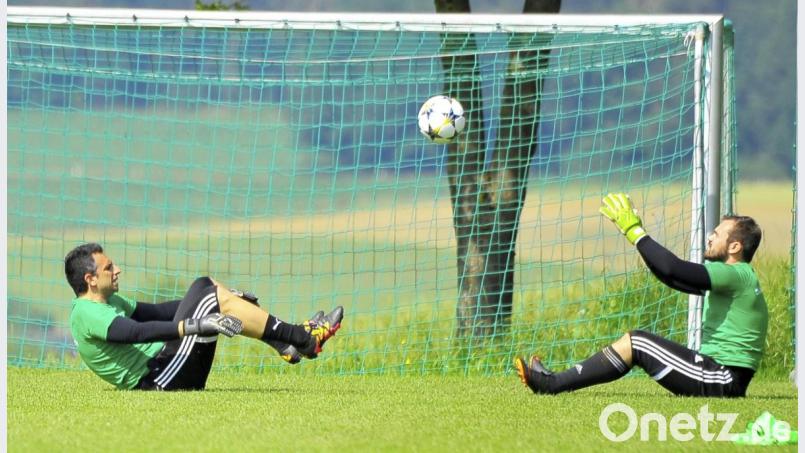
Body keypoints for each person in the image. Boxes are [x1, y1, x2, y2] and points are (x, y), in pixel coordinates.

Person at [515, 193, 767, 398]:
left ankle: (552, 384)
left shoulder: (735, 274)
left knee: (638, 342)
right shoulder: (735, 278)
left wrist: (635, 231)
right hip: (718, 374)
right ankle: (553, 382)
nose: (710, 236)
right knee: (637, 342)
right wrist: (635, 236)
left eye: (718, 234)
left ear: (735, 246)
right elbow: (671, 277)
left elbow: (673, 268)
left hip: (721, 379)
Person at [64, 242, 344, 391]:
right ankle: (303, 338)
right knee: (210, 297)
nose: (117, 270)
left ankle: (283, 342)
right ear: (90, 279)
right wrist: (199, 323)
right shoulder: (87, 313)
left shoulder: (108, 300)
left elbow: (158, 312)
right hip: (163, 379)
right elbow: (135, 333)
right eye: (109, 268)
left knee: (203, 285)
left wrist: (227, 296)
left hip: (168, 364)